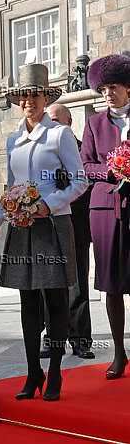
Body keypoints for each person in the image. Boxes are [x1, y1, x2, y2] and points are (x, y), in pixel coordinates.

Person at [0, 63, 88, 401]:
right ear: (19, 101)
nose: (30, 101)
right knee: (28, 303)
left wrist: (50, 204)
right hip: (21, 229)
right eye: (24, 96)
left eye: (36, 95)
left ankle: (56, 371)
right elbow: (13, 186)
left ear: (46, 98)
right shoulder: (13, 139)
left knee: (56, 301)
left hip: (53, 225)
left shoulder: (59, 135)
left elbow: (80, 181)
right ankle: (33, 373)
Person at [81, 54, 130, 379]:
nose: (108, 94)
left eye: (113, 87)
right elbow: (85, 166)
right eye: (102, 90)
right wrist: (112, 171)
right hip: (104, 210)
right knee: (111, 283)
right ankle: (118, 352)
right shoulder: (93, 124)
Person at [40, 103, 94, 359]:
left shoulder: (84, 149)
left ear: (69, 122)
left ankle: (81, 339)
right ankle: (52, 338)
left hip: (77, 227)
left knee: (78, 285)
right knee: (49, 285)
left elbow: (84, 185)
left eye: (55, 121)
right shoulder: (42, 150)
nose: (51, 126)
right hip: (48, 226)